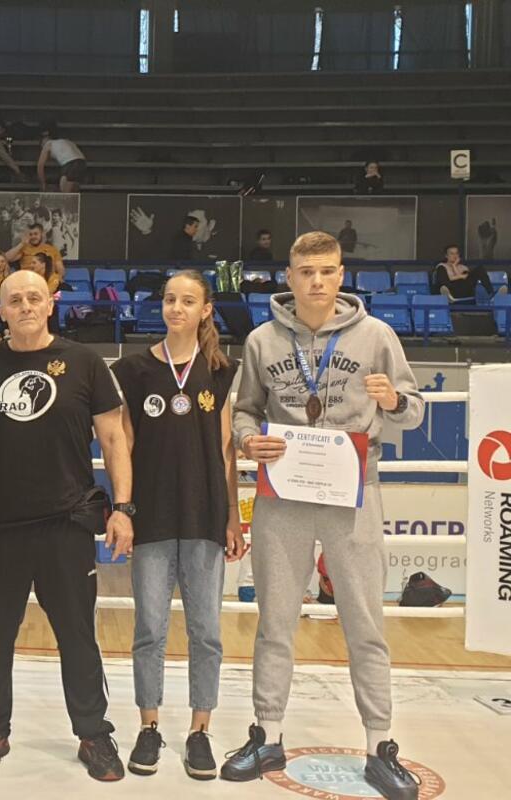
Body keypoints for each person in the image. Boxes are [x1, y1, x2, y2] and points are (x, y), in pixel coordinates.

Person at [222, 231, 425, 800]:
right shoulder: (262, 340)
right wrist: (249, 440)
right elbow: (243, 412)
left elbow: (412, 411)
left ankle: (380, 745)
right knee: (275, 621)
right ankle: (268, 735)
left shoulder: (377, 335)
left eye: (327, 271)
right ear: (289, 277)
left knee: (365, 622)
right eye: (306, 271)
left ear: (341, 275)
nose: (316, 281)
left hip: (353, 493)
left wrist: (392, 401)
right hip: (282, 495)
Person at [0, 269, 135, 782]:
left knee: (77, 635)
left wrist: (123, 507)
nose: (25, 306)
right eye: (15, 300)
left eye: (34, 297)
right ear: (1, 310)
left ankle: (93, 733)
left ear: (50, 304)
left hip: (66, 522)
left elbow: (114, 439)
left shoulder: (85, 362)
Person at [109, 271, 246, 781]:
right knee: (149, 629)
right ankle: (148, 726)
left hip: (205, 515)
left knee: (206, 631)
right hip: (152, 515)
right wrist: (123, 508)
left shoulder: (220, 369)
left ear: (205, 309)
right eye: (170, 299)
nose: (177, 308)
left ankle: (200, 730)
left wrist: (233, 515)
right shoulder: (134, 369)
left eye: (188, 301)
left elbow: (227, 450)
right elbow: (123, 444)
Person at [432, 244, 504, 303]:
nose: (455, 256)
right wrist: (459, 276)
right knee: (442, 274)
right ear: (446, 256)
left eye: (456, 253)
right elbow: (444, 280)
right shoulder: (442, 266)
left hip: (464, 290)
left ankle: (492, 294)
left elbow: (464, 279)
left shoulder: (463, 267)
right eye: (452, 253)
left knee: (480, 269)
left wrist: (454, 266)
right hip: (451, 289)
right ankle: (448, 295)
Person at [37, 124, 87, 193]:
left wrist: (43, 184)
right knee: (71, 188)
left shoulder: (47, 144)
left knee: (65, 191)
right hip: (82, 162)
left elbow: (40, 166)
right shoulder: (65, 141)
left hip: (71, 162)